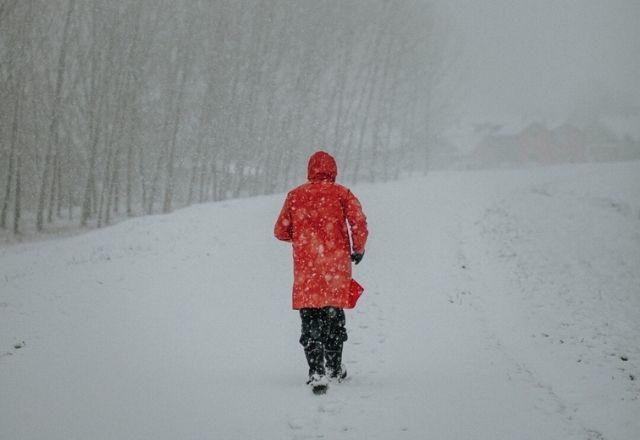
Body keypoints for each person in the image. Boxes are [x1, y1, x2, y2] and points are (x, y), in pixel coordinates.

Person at [274, 151, 368, 389]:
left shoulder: (296, 196)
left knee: (310, 321)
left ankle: (316, 372)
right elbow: (358, 221)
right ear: (333, 170)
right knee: (334, 320)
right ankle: (334, 368)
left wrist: (304, 239)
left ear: (310, 170)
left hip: (307, 270)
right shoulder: (342, 194)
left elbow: (280, 231)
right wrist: (358, 248)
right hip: (335, 268)